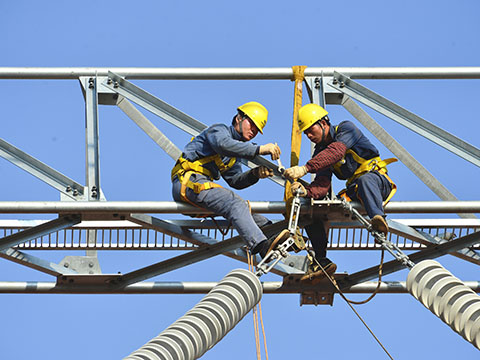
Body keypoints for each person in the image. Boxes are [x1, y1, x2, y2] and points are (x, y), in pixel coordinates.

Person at [284, 103, 397, 282]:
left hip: (377, 182)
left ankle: (378, 219)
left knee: (365, 180)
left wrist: (305, 168)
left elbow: (336, 152)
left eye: (310, 129)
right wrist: (306, 192)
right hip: (355, 192)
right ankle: (322, 261)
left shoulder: (346, 129)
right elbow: (322, 184)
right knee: (314, 212)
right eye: (305, 133)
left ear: (323, 123)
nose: (308, 135)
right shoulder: (320, 152)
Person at [171, 101, 286, 259]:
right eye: (251, 124)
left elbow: (235, 181)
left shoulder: (234, 154)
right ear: (239, 118)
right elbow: (223, 145)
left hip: (200, 190)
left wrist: (255, 174)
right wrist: (259, 149)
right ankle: (261, 247)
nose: (253, 131)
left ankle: (275, 234)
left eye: (257, 129)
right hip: (189, 182)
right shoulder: (219, 130)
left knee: (243, 209)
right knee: (235, 203)